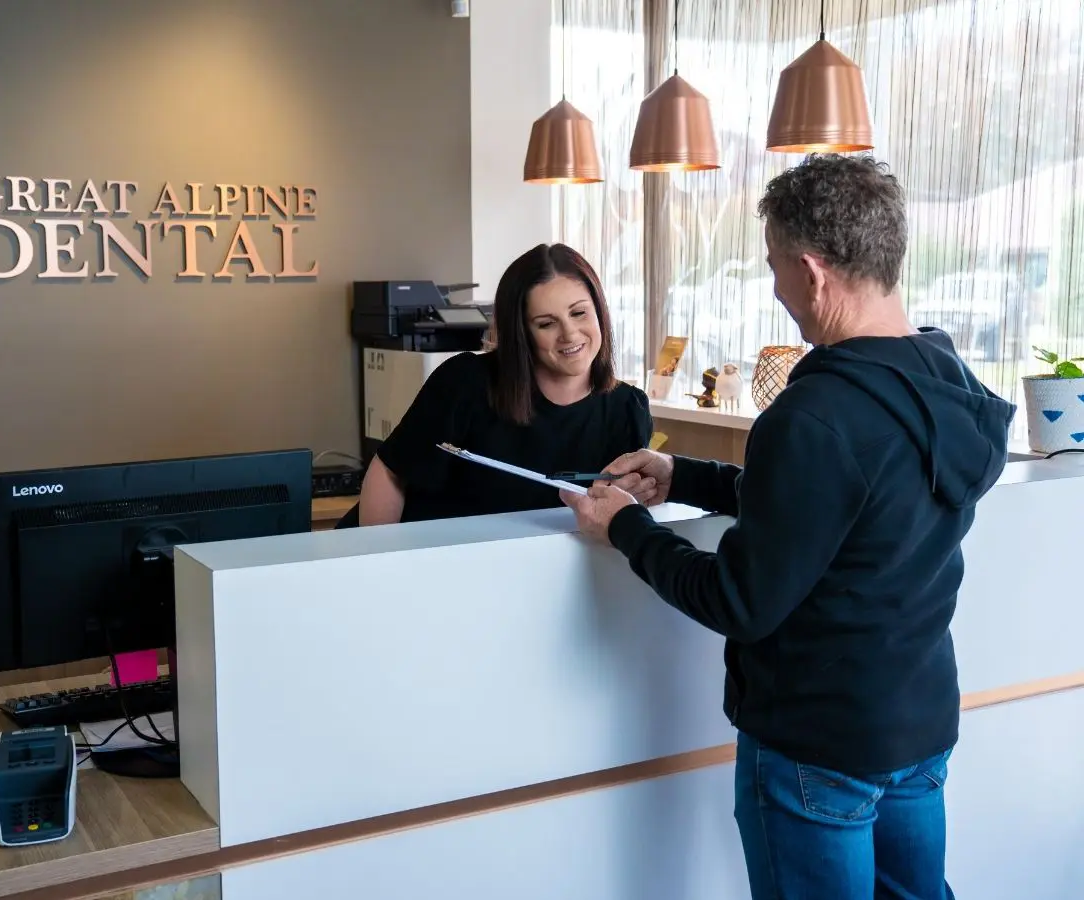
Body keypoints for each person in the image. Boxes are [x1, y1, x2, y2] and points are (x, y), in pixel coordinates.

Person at [561, 155, 1016, 899]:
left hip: (818, 744)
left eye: (774, 267)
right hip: (917, 723)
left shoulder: (813, 417)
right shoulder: (948, 383)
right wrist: (688, 476)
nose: (775, 288)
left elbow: (740, 602)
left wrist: (629, 530)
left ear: (811, 271)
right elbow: (847, 508)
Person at [355, 242, 654, 526]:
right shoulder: (465, 381)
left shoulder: (628, 408)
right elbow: (390, 472)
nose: (570, 334)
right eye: (546, 323)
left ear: (599, 311)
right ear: (521, 334)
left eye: (579, 313)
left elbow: (618, 515)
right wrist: (377, 563)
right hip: (436, 557)